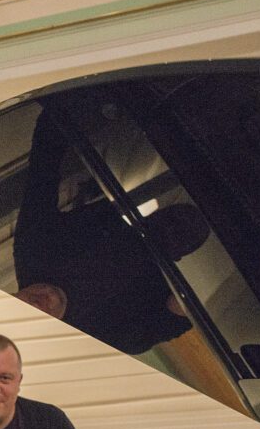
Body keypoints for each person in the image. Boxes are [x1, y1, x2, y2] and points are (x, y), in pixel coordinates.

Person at [13, 108, 209, 354]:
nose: (36, 304)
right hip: (199, 250)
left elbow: (43, 166)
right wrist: (185, 298)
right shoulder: (99, 338)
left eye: (21, 306)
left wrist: (61, 101)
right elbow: (174, 320)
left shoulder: (33, 249)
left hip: (151, 184)